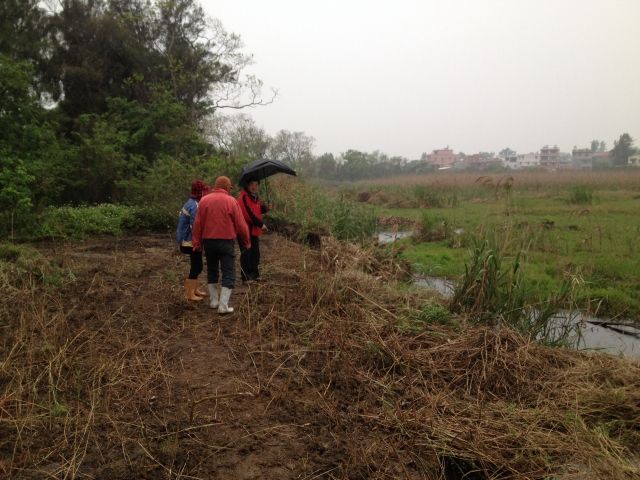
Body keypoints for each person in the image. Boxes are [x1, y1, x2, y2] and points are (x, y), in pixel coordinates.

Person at [192, 176, 250, 314]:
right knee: (228, 272)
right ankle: (223, 306)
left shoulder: (204, 200)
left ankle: (214, 301)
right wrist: (247, 241)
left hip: (209, 242)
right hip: (226, 242)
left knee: (212, 270)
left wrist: (196, 242)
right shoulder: (231, 201)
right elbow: (241, 224)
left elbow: (197, 224)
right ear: (227, 187)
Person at [176, 180, 208, 301]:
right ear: (200, 192)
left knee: (197, 265)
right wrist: (197, 242)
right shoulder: (194, 205)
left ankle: (194, 290)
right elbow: (195, 226)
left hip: (188, 239)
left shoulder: (192, 202)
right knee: (196, 266)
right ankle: (189, 293)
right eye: (203, 190)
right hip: (190, 241)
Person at [237, 180, 271, 282]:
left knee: (255, 253)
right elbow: (248, 215)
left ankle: (254, 275)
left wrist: (265, 208)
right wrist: (261, 224)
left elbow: (256, 210)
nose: (254, 187)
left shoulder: (254, 197)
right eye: (251, 184)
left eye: (256, 185)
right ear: (247, 185)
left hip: (253, 231)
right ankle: (246, 277)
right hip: (244, 230)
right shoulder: (243, 197)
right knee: (246, 253)